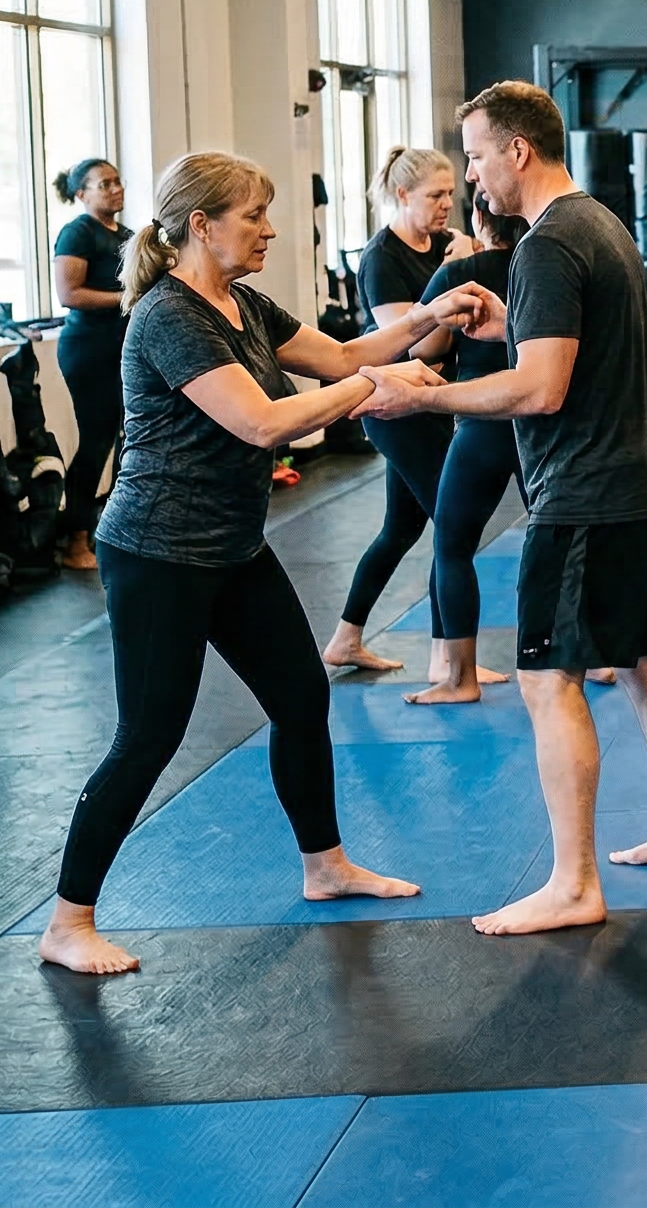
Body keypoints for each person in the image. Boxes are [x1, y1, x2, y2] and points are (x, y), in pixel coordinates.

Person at [38, 150, 487, 975]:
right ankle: (68, 922)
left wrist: (436, 311)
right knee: (149, 736)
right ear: (201, 225)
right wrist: (375, 388)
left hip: (233, 546)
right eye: (255, 216)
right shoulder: (169, 316)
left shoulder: (241, 302)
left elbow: (343, 356)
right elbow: (260, 423)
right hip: (156, 555)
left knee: (300, 694)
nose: (271, 229)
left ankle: (325, 866)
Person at [360, 80, 647, 937]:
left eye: (479, 156)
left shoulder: (547, 246)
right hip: (641, 482)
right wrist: (502, 328)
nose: (475, 178)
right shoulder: (598, 224)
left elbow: (542, 388)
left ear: (517, 149)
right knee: (642, 661)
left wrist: (426, 400)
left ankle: (571, 883)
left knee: (544, 677)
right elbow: (572, 349)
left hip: (586, 496)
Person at [322, 147, 486, 683]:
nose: (446, 206)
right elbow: (413, 345)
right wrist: (451, 273)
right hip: (395, 406)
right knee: (452, 525)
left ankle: (346, 640)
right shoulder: (381, 257)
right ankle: (449, 659)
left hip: (433, 400)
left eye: (449, 195)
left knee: (400, 528)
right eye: (435, 196)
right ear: (402, 195)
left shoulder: (444, 243)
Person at [409, 201, 524, 707]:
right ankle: (598, 657)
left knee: (452, 545)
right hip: (540, 420)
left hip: (481, 421)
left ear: (479, 221)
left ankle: (460, 678)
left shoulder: (461, 274)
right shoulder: (541, 267)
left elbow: (423, 349)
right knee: (561, 538)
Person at [49, 158, 127, 570]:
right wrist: (125, 299)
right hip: (88, 351)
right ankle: (74, 541)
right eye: (104, 184)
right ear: (82, 194)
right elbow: (70, 294)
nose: (115, 189)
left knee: (126, 441)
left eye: (117, 181)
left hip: (122, 348)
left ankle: (111, 530)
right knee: (95, 441)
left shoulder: (128, 234)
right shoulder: (78, 232)